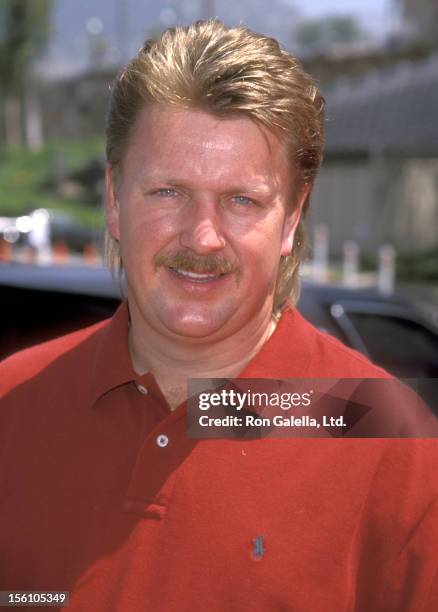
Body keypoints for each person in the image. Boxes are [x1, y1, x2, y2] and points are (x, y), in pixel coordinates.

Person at [1, 20, 437, 612]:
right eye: (168, 192)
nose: (202, 238)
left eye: (241, 200)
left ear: (290, 220)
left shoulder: (393, 443)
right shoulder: (12, 402)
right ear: (112, 200)